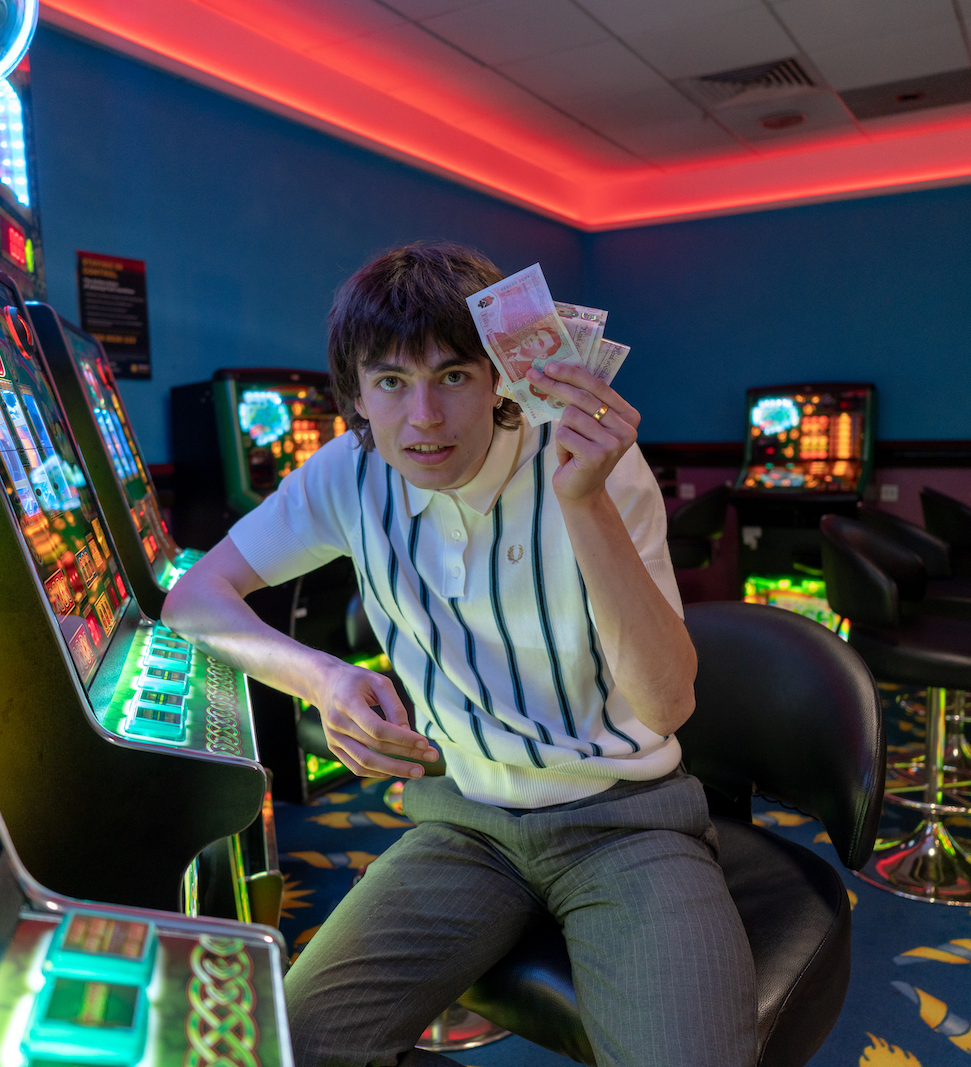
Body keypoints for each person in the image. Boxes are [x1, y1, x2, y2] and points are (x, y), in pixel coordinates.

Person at [164, 243, 756, 1067]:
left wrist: (583, 504)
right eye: (391, 382)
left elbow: (667, 705)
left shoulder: (594, 469)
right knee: (289, 1046)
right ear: (357, 396)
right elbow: (193, 597)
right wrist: (328, 679)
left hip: (625, 818)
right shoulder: (350, 474)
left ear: (503, 378)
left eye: (452, 376)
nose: (423, 419)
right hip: (466, 818)